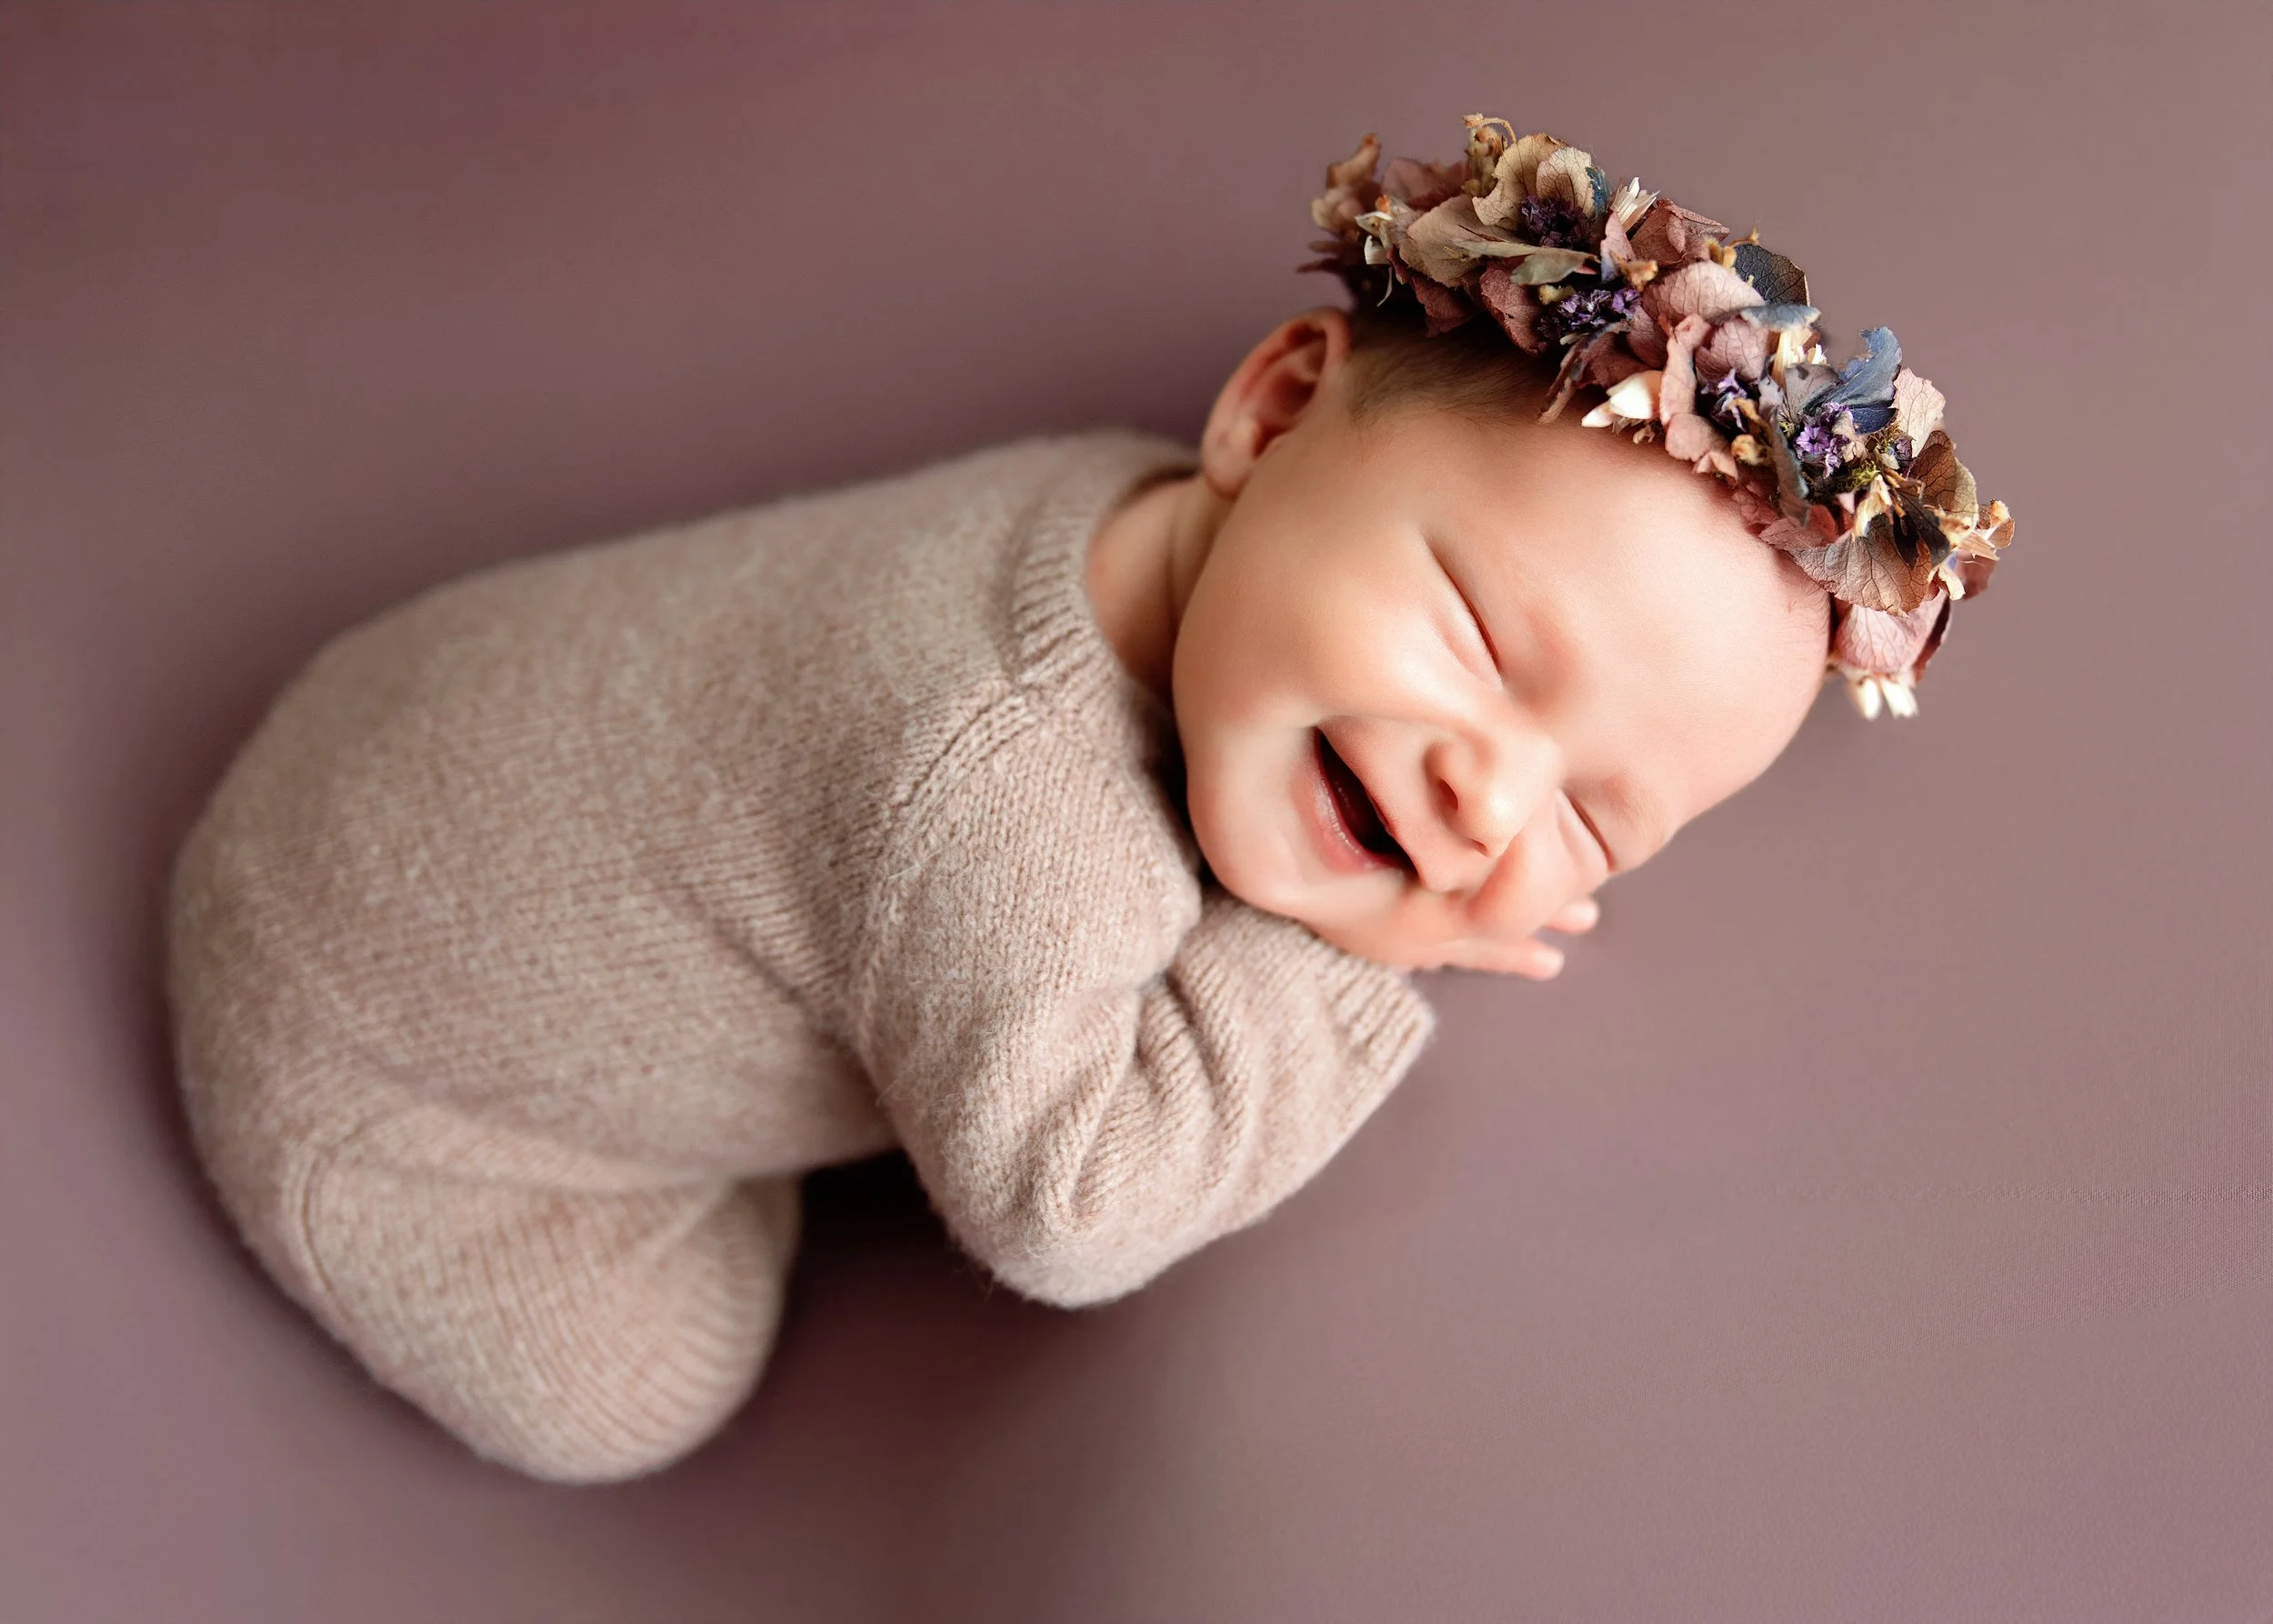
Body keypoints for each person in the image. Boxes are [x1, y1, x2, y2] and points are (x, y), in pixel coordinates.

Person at [164, 116, 2012, 1483]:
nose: (1477, 793)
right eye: (1470, 636)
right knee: (653, 1386)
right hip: (372, 1061)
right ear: (1270, 411)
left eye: (1593, 823)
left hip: (406, 715)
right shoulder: (996, 802)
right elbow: (1068, 1205)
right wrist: (1359, 964)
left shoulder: (1161, 522)